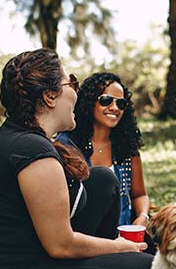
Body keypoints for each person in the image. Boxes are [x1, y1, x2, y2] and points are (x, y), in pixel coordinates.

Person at [0, 48, 153, 269]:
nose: (76, 91)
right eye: (70, 81)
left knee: (103, 180)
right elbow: (61, 245)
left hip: (33, 254)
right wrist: (120, 247)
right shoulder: (31, 151)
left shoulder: (26, 138)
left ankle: (114, 261)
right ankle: (119, 261)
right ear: (49, 96)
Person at [56, 72, 150, 227]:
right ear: (89, 102)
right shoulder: (67, 145)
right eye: (106, 100)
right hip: (84, 238)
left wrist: (143, 217)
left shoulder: (126, 146)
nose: (114, 108)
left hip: (124, 237)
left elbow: (139, 195)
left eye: (121, 103)